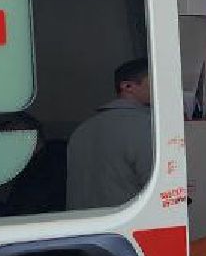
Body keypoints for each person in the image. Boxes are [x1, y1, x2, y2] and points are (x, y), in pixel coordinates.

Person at [66, 58, 155, 210]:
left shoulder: (82, 129)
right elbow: (158, 188)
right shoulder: (145, 125)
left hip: (86, 226)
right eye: (153, 81)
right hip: (130, 224)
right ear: (127, 86)